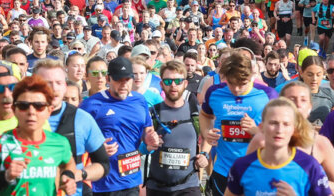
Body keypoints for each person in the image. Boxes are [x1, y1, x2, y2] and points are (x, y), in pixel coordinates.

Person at [0, 75, 77, 196]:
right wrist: (5, 177)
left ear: (49, 110)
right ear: (14, 109)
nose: (31, 112)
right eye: (23, 106)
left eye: (39, 106)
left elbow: (69, 163)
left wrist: (68, 177)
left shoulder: (60, 143)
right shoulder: (0, 144)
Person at [245, 81, 334, 196]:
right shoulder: (262, 140)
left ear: (310, 107)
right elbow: (244, 177)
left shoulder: (320, 143)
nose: (298, 104)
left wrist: (313, 180)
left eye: (303, 100)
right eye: (292, 99)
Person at [80, 57, 160, 196]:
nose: (123, 84)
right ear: (108, 79)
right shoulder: (91, 104)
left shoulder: (139, 100)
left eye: (127, 79)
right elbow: (74, 138)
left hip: (131, 180)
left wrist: (151, 137)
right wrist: (96, 148)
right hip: (102, 184)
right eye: (118, 80)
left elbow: (147, 129)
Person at [200, 52, 278, 196]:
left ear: (252, 76)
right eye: (231, 83)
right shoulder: (215, 92)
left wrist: (256, 130)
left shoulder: (268, 95)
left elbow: (282, 134)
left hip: (257, 170)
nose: (236, 89)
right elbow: (205, 115)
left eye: (242, 84)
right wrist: (206, 133)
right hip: (224, 170)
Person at [33, 59, 112, 196]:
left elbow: (103, 165)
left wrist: (78, 174)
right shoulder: (19, 117)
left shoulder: (82, 118)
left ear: (65, 86)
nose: (54, 88)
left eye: (58, 83)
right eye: (47, 83)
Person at [225, 98, 332, 196]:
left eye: (286, 124)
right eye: (273, 123)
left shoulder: (309, 165)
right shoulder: (242, 166)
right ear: (261, 127)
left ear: (293, 129)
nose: (279, 130)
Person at [145, 60, 207, 196]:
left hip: (188, 186)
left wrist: (204, 155)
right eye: (168, 81)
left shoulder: (196, 111)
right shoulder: (152, 112)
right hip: (157, 187)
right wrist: (148, 143)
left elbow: (207, 136)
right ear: (161, 84)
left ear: (185, 84)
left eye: (178, 81)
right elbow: (140, 144)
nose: (173, 85)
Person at [299, 55, 334, 128]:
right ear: (301, 73)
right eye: (310, 75)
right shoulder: (293, 95)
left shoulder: (329, 94)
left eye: (318, 75)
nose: (314, 79)